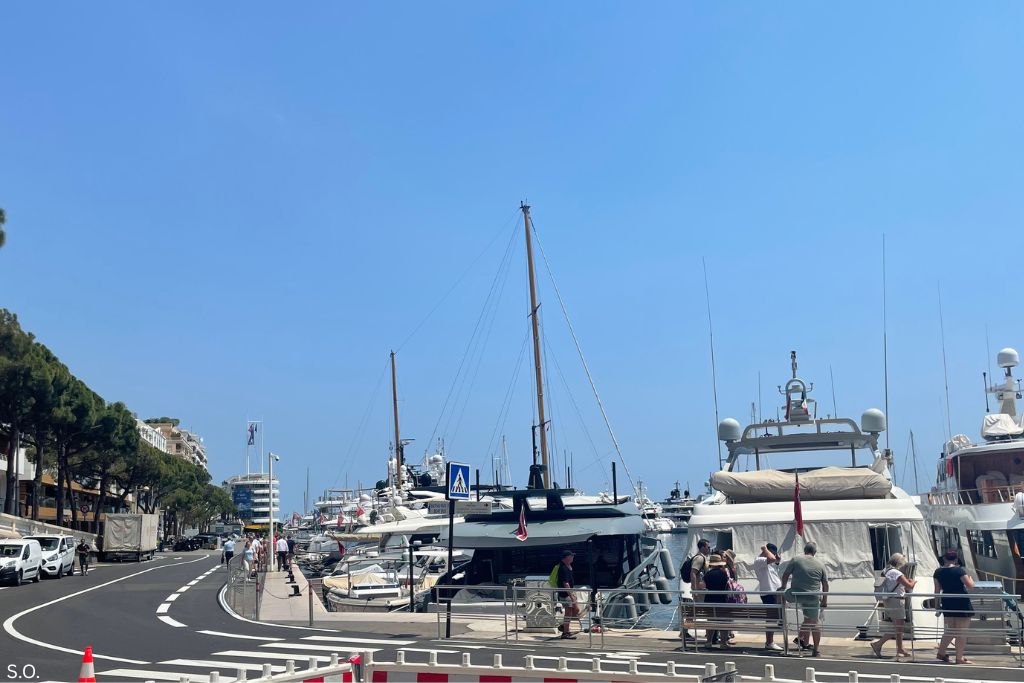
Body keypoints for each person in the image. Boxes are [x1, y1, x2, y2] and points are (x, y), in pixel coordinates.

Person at [780, 541, 829, 657]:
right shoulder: (821, 564)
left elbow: (785, 575)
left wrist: (782, 587)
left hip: (795, 595)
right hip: (813, 597)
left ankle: (779, 618)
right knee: (815, 622)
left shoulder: (796, 559)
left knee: (780, 594)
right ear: (815, 552)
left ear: (805, 551)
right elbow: (825, 585)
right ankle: (816, 649)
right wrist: (824, 600)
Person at [870, 553, 917, 659]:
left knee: (898, 626)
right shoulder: (896, 573)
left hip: (889, 600)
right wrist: (913, 581)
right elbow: (909, 586)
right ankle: (878, 644)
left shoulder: (885, 571)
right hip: (897, 601)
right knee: (898, 627)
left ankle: (900, 648)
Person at [934, 548, 974, 665]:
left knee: (950, 630)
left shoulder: (938, 572)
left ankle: (941, 652)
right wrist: (971, 579)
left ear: (945, 558)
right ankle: (959, 657)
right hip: (961, 603)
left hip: (947, 602)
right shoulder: (959, 571)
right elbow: (970, 585)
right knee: (962, 632)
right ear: (956, 559)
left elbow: (937, 590)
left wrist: (937, 605)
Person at [679, 539, 712, 646]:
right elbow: (693, 573)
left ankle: (684, 632)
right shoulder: (699, 558)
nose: (709, 549)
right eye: (708, 547)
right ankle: (685, 633)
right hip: (699, 592)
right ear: (702, 547)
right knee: (699, 613)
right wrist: (694, 590)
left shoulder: (702, 558)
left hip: (700, 591)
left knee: (693, 613)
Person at [754, 543, 783, 651]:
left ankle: (771, 640)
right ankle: (769, 642)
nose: (775, 556)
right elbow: (771, 558)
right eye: (774, 553)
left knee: (775, 617)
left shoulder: (768, 562)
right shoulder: (759, 560)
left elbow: (774, 563)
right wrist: (765, 549)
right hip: (768, 593)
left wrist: (777, 561)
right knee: (771, 618)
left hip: (775, 593)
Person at [701, 554, 732, 649]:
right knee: (723, 622)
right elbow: (727, 586)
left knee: (710, 621)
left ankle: (708, 642)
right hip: (721, 600)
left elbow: (703, 586)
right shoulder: (724, 574)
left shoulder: (707, 574)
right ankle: (723, 643)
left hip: (709, 600)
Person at [556, 549, 579, 639]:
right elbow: (565, 583)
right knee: (569, 612)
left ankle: (564, 626)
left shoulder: (568, 566)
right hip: (565, 594)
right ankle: (565, 632)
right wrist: (571, 595)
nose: (573, 557)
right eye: (571, 556)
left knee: (575, 610)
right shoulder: (563, 568)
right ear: (566, 558)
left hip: (569, 592)